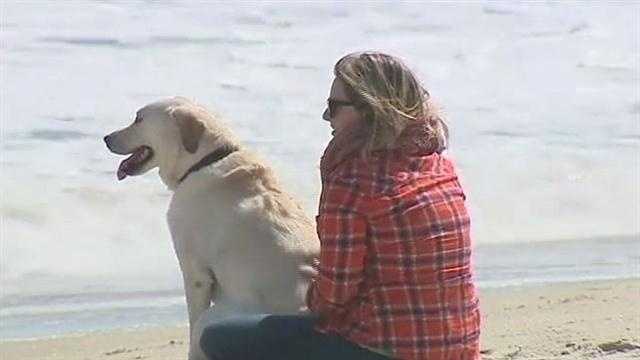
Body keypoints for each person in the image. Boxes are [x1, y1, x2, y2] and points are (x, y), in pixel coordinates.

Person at [199, 51, 480, 360]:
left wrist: (308, 293)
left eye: (333, 108)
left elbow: (333, 298)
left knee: (218, 337)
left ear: (370, 109)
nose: (325, 118)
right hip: (458, 348)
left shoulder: (353, 180)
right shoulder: (440, 168)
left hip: (389, 349)